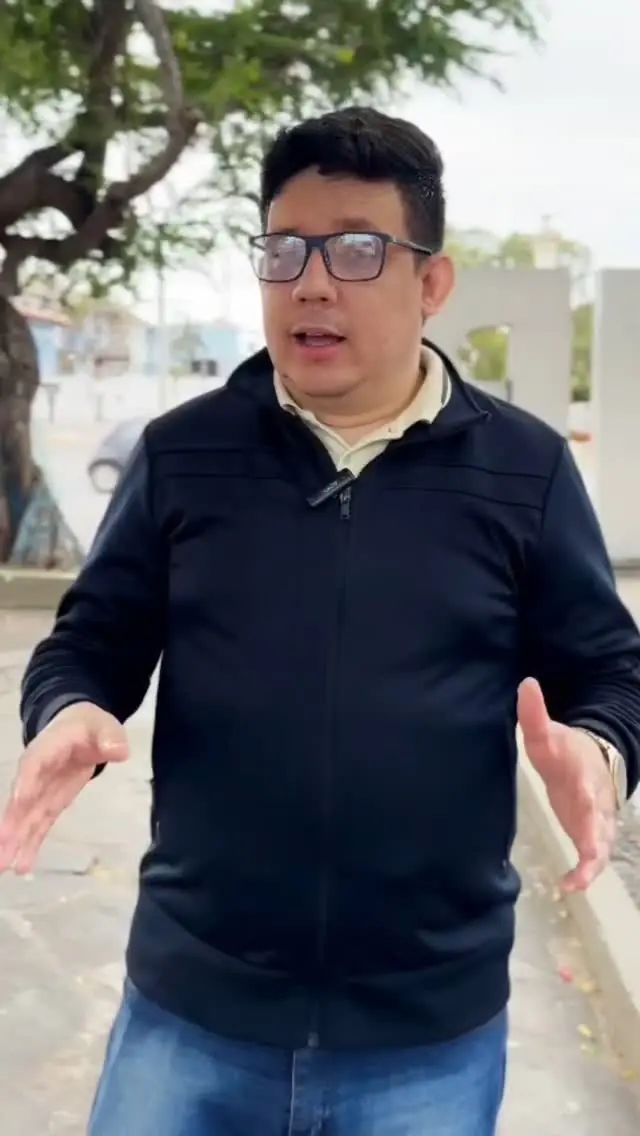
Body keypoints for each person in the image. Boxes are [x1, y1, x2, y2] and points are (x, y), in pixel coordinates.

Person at [0, 106, 638, 1136]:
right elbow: (90, 641)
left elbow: (608, 671)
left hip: (427, 1032)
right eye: (284, 250)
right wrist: (69, 707)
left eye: (355, 249)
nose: (311, 283)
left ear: (432, 283)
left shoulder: (525, 470)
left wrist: (599, 755)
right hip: (192, 1009)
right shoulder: (184, 454)